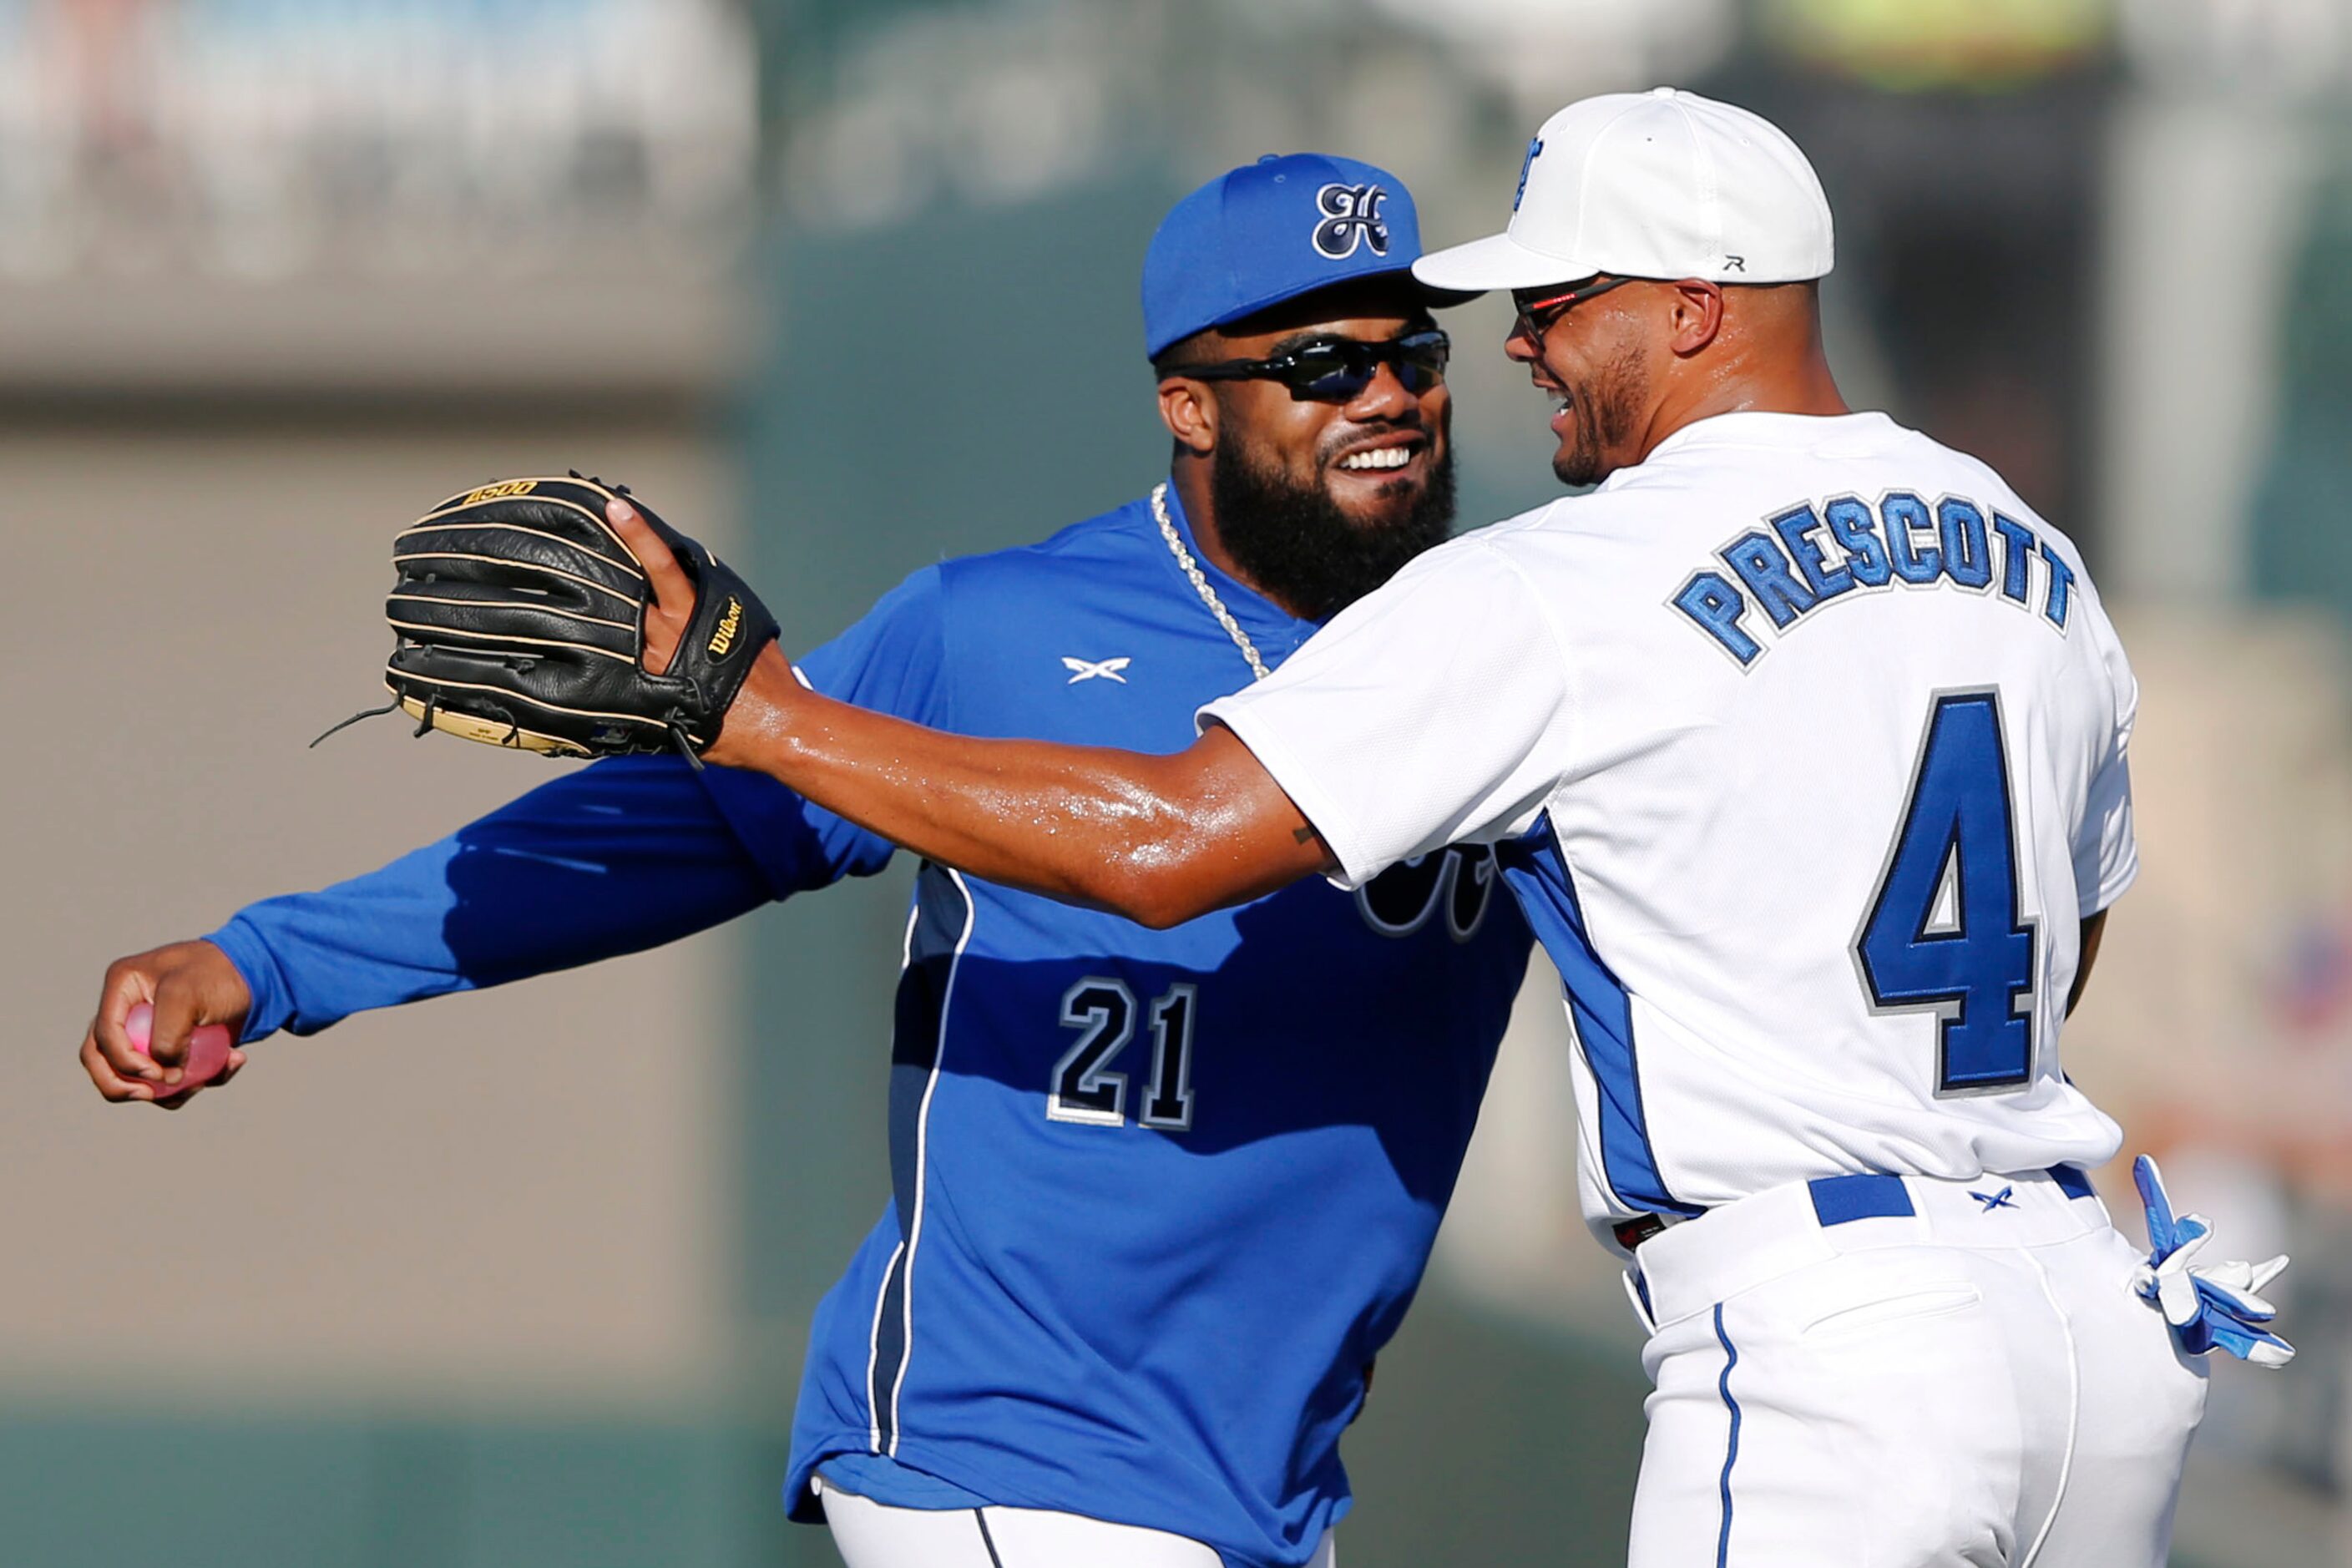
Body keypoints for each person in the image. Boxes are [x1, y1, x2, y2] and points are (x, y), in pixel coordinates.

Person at [593, 91, 2283, 1565]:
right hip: (2088, 1323)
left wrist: (772, 720)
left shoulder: (1568, 579)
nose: (1518, 341)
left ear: (1694, 307)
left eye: (1552, 300)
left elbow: (1166, 846)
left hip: (1829, 1337)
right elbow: (2074, 928)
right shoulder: (2018, 547)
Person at [78, 156, 1535, 1568]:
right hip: (1006, 1441)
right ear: (1188, 406)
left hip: (1270, 1480)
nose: (1389, 394)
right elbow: (678, 827)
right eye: (1324, 361)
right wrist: (266, 961)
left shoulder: (1512, 655)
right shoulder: (993, 630)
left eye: (1414, 350)